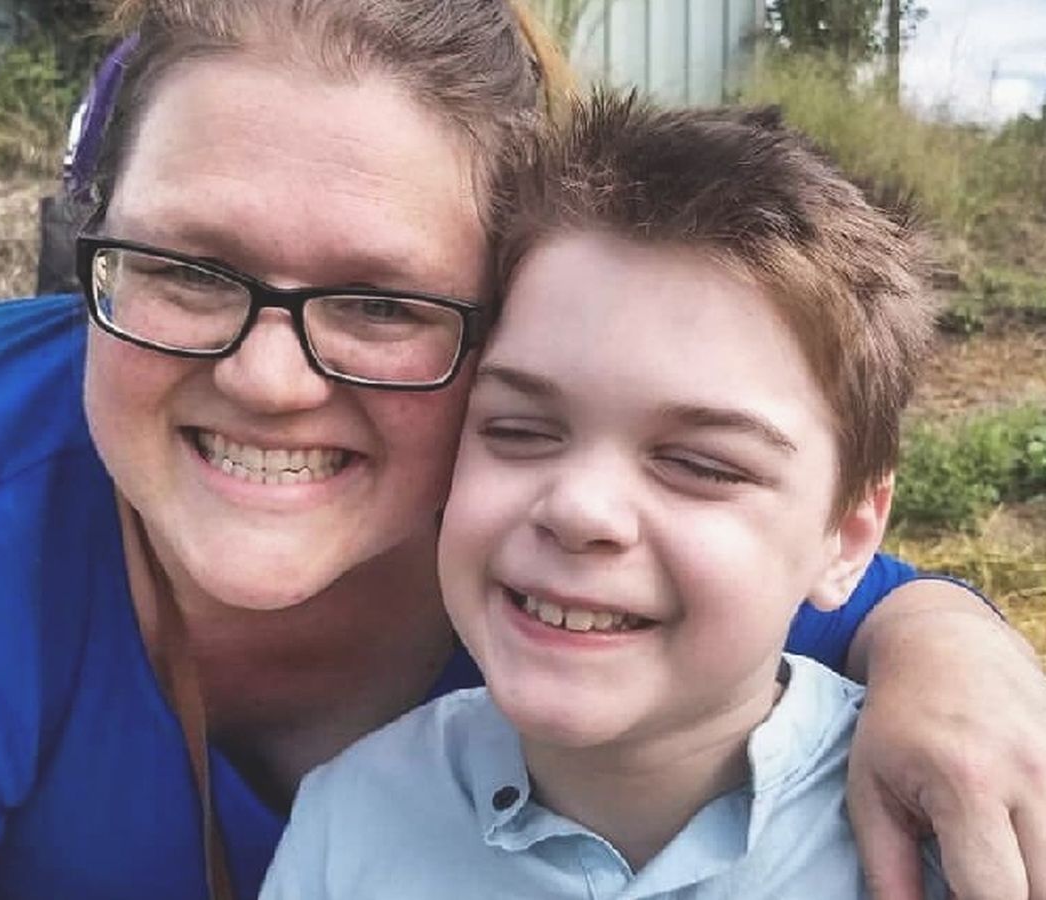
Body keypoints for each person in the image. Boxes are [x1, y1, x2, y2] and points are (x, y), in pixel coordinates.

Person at [0, 1, 1042, 898]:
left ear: (514, 324)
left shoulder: (559, 535)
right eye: (185, 269)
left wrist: (951, 648)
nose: (268, 380)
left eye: (382, 304)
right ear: (90, 243)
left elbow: (820, 560)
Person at [259, 92, 947, 898]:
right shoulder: (350, 823)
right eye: (519, 430)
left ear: (850, 536)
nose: (579, 509)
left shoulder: (952, 835)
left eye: (702, 464)